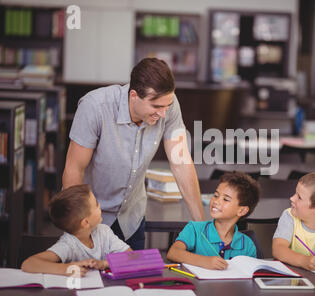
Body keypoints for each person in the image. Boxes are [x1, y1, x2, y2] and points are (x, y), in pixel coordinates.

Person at [62, 58, 205, 250]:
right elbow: (74, 169)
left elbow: (181, 163)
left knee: (133, 278)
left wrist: (202, 226)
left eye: (166, 107)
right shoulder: (95, 106)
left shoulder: (168, 105)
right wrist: (78, 231)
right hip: (91, 220)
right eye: (156, 107)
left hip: (131, 220)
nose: (163, 114)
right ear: (134, 96)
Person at [21, 184, 131, 277]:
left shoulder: (104, 231)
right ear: (86, 223)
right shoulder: (69, 244)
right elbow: (28, 264)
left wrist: (104, 264)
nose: (100, 206)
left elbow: (130, 256)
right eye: (96, 205)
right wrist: (66, 268)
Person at [167, 172, 261, 270]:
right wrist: (204, 261)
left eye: (225, 199)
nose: (216, 201)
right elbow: (173, 253)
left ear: (242, 210)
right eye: (216, 195)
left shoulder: (248, 245)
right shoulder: (194, 229)